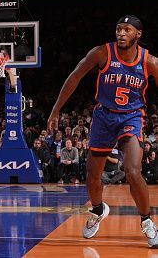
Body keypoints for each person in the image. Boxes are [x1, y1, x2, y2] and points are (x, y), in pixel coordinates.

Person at [48, 15, 158, 247]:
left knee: (133, 170)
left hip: (132, 116)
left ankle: (147, 221)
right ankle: (98, 210)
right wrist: (56, 110)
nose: (121, 33)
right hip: (104, 116)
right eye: (118, 29)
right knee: (93, 175)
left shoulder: (150, 62)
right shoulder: (102, 53)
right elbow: (75, 76)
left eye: (127, 30)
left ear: (138, 34)